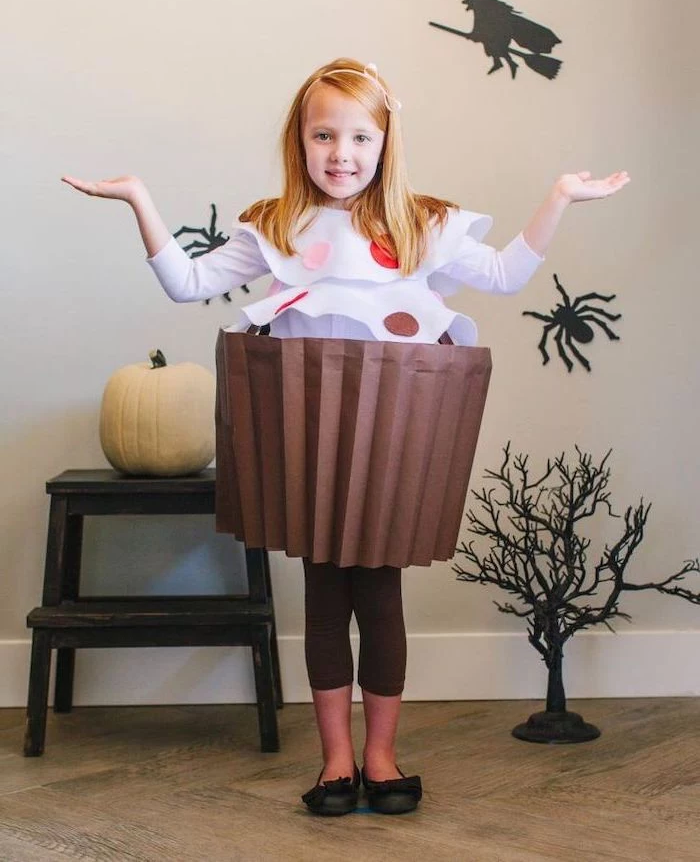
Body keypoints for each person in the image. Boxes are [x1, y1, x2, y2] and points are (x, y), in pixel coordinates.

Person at [62, 57, 630, 816]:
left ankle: (383, 754)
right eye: (324, 134)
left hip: (394, 436)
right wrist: (139, 198)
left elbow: (500, 274)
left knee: (381, 595)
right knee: (323, 595)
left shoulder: (421, 222)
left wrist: (558, 197)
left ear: (385, 141)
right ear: (300, 140)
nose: (342, 153)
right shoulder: (276, 224)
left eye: (360, 136)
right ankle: (335, 760)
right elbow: (189, 284)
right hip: (308, 439)